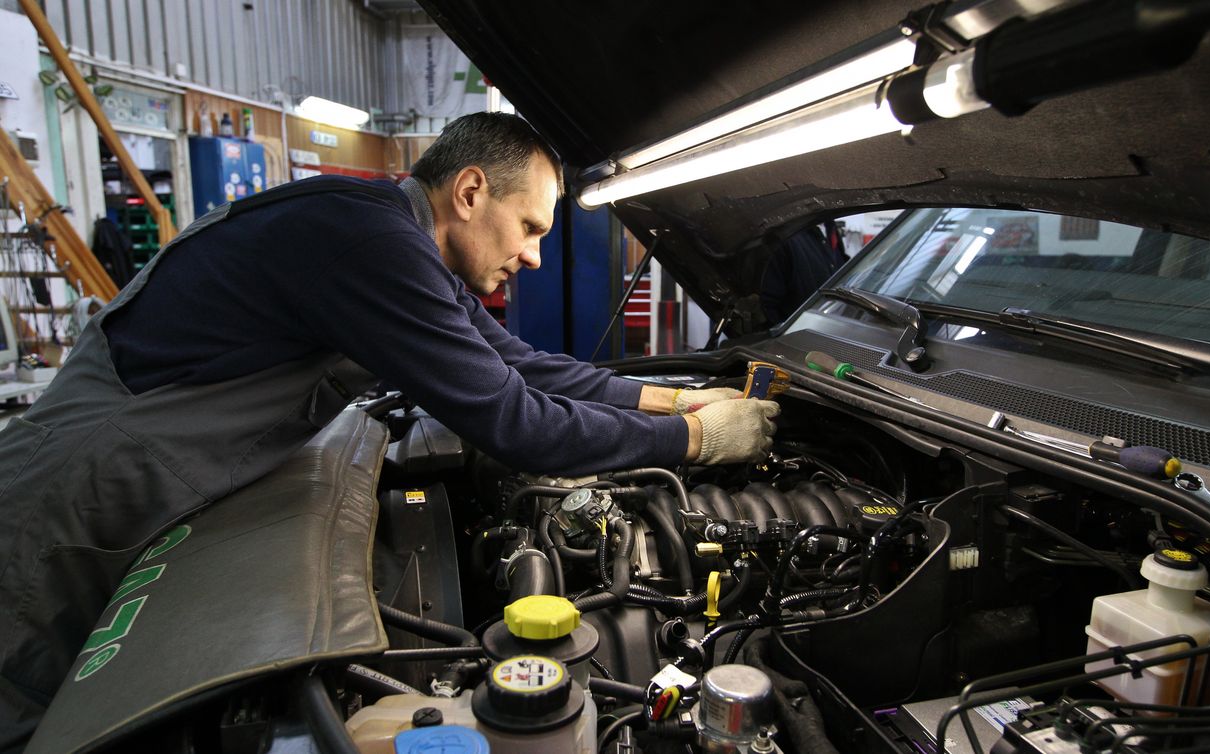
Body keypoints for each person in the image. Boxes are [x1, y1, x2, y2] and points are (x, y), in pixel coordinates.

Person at [0, 112, 778, 749]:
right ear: (471, 191)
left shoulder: (399, 241)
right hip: (76, 485)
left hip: (141, 467)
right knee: (32, 702)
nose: (536, 256)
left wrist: (675, 402)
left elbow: (522, 365)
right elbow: (515, 421)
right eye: (529, 226)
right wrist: (699, 446)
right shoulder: (370, 242)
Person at [760, 220, 848, 326]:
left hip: (833, 328)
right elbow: (767, 306)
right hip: (799, 336)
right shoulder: (784, 237)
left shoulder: (829, 226)